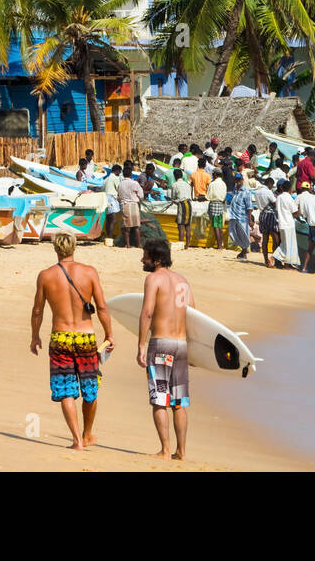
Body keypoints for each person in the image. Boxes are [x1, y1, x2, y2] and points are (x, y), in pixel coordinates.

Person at [30, 233, 115, 451]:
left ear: (55, 249)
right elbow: (102, 307)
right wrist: (109, 334)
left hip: (60, 338)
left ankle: (77, 440)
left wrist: (35, 336)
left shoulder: (46, 276)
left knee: (66, 390)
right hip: (86, 337)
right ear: (74, 247)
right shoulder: (89, 272)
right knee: (90, 388)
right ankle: (87, 434)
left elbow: (37, 310)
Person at [137, 239, 192, 460]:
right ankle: (182, 451)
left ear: (157, 259)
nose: (142, 259)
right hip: (181, 344)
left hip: (161, 344)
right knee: (178, 402)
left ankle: (166, 450)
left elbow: (147, 312)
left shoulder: (153, 279)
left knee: (160, 399)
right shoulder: (183, 281)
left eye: (146, 256)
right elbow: (194, 314)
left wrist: (141, 344)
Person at [227, 173, 256, 260]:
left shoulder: (246, 191)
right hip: (234, 216)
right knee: (233, 234)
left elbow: (249, 207)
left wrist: (250, 220)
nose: (238, 182)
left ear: (242, 180)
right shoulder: (235, 189)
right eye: (236, 180)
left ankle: (244, 252)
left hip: (242, 218)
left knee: (244, 235)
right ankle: (243, 251)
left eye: (239, 180)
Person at [274, 181, 301, 269]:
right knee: (290, 245)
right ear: (290, 189)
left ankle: (287, 263)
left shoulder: (279, 197)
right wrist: (300, 211)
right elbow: (295, 213)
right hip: (288, 224)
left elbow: (277, 209)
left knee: (285, 244)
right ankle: (279, 259)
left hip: (281, 223)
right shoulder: (289, 198)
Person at [117, 166, 144, 249]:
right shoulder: (134, 183)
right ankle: (139, 244)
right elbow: (141, 195)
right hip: (133, 205)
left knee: (126, 226)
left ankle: (128, 244)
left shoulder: (120, 184)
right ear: (131, 174)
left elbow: (119, 196)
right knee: (136, 226)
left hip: (125, 205)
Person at [255, 179, 278, 266]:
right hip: (270, 215)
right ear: (269, 183)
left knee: (265, 239)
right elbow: (274, 203)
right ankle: (274, 260)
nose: (271, 187)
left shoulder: (257, 192)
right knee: (275, 239)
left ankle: (265, 260)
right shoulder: (268, 192)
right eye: (271, 185)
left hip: (262, 215)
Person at [170, 169, 193, 247]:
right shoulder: (187, 185)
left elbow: (173, 198)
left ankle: (181, 243)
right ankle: (188, 244)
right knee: (188, 226)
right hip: (189, 204)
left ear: (175, 176)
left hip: (182, 204)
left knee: (181, 225)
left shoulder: (175, 185)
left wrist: (174, 201)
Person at [206, 170, 227, 249]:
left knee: (215, 226)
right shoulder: (223, 184)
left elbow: (208, 197)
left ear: (215, 174)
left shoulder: (212, 184)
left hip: (214, 204)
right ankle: (221, 244)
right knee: (220, 226)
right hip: (221, 205)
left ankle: (219, 245)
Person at [103, 164, 122, 245]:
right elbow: (119, 188)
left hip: (106, 199)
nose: (119, 173)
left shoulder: (106, 179)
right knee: (113, 220)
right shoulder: (115, 178)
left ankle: (108, 238)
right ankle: (110, 238)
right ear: (117, 171)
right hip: (112, 199)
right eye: (119, 172)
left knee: (108, 220)